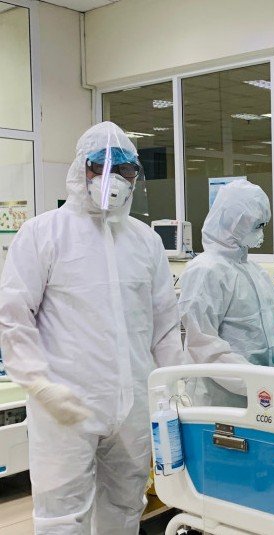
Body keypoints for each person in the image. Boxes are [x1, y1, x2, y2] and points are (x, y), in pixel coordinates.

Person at [0, 122, 187, 533]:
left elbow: (164, 327)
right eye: (100, 166)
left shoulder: (145, 241)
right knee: (62, 515)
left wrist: (174, 391)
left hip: (133, 404)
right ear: (80, 168)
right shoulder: (44, 233)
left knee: (126, 505)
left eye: (124, 170)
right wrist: (39, 383)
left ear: (135, 176)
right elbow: (13, 317)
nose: (112, 179)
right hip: (66, 404)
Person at [179, 180, 274, 407]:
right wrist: (254, 382)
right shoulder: (205, 270)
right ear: (232, 222)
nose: (260, 232)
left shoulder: (255, 271)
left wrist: (265, 384)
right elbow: (203, 344)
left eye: (262, 225)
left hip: (259, 394)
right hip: (218, 397)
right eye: (255, 225)